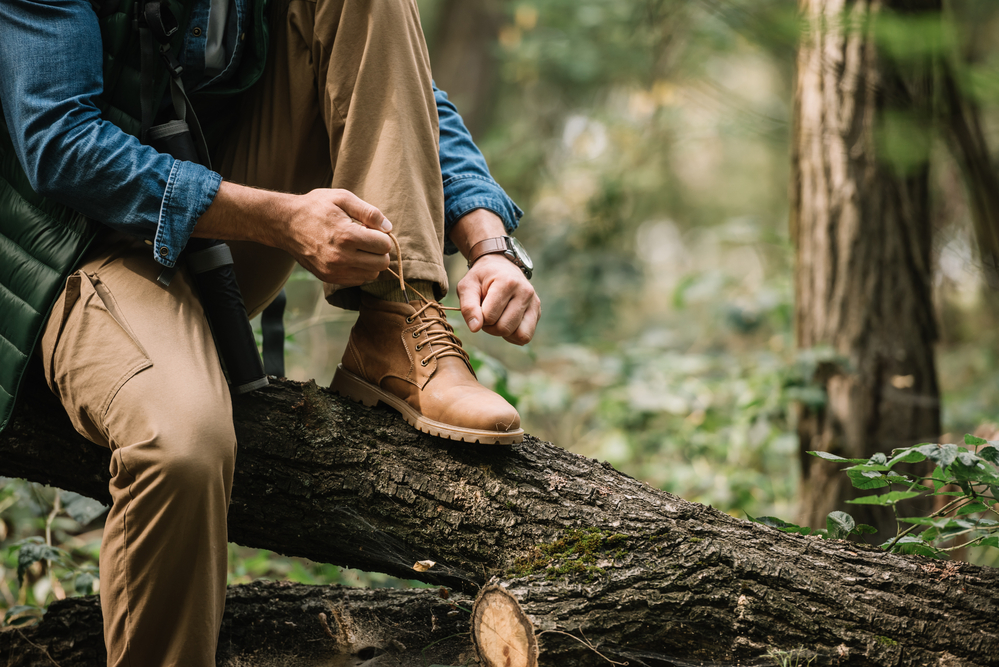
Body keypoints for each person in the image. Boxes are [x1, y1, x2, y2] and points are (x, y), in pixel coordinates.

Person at [0, 0, 540, 664]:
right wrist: (277, 218)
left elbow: (402, 90)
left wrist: (487, 244)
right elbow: (57, 142)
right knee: (184, 445)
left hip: (219, 232)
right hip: (79, 249)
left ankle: (398, 319)